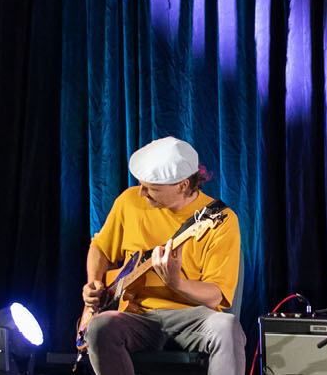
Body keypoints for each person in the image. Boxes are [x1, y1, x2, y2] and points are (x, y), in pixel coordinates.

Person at [80, 137, 247, 374]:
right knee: (100, 327)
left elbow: (215, 297)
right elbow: (100, 248)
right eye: (141, 184)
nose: (142, 193)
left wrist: (175, 282)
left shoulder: (221, 220)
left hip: (193, 318)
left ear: (183, 185)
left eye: (152, 188)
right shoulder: (128, 202)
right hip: (137, 316)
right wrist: (94, 282)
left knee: (227, 326)